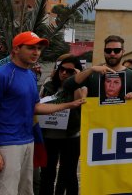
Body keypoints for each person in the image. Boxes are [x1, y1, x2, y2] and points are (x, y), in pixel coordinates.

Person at [0, 32, 84, 195]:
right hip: (7, 143)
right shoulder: (3, 74)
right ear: (16, 49)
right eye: (31, 48)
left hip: (28, 140)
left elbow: (36, 107)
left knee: (26, 190)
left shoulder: (30, 75)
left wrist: (69, 105)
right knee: (7, 190)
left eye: (39, 48)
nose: (36, 52)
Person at [39, 57, 85, 195]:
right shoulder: (48, 84)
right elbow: (39, 102)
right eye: (62, 69)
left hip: (70, 136)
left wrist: (76, 80)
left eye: (69, 71)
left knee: (69, 175)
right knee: (47, 174)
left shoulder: (81, 87)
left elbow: (80, 102)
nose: (64, 73)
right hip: (49, 135)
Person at [63, 35, 132, 98]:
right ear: (104, 51)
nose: (112, 54)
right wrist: (91, 69)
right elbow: (67, 85)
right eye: (108, 50)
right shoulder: (93, 73)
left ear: (123, 52)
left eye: (117, 50)